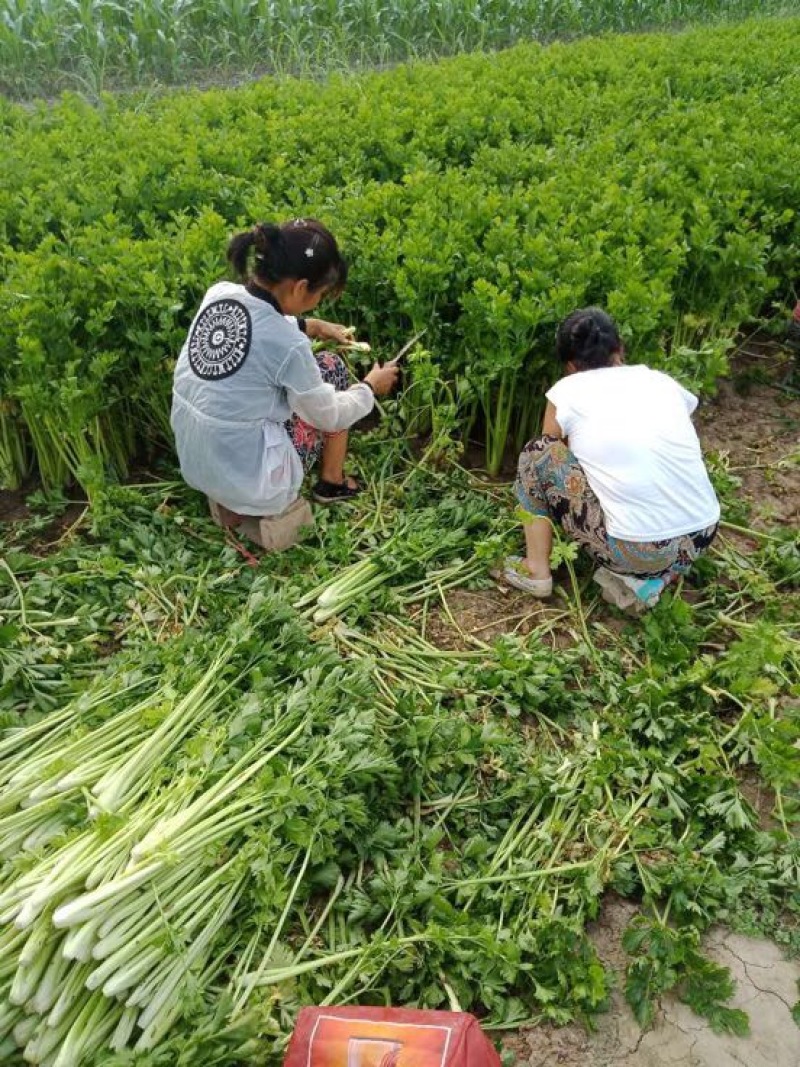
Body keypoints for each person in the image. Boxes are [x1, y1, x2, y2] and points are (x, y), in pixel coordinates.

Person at [171, 218, 399, 541]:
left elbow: (259, 326)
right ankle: (331, 482)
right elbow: (328, 414)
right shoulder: (288, 346)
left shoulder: (218, 294)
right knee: (331, 368)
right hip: (252, 480)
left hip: (197, 462)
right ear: (301, 287)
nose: (319, 300)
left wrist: (315, 326)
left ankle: (231, 501)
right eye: (320, 294)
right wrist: (370, 387)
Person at [503, 307, 720, 612]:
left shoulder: (567, 391)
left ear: (569, 365)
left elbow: (554, 456)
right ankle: (654, 577)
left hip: (634, 548)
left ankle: (536, 569)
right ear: (620, 348)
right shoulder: (660, 382)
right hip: (701, 536)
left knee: (538, 452)